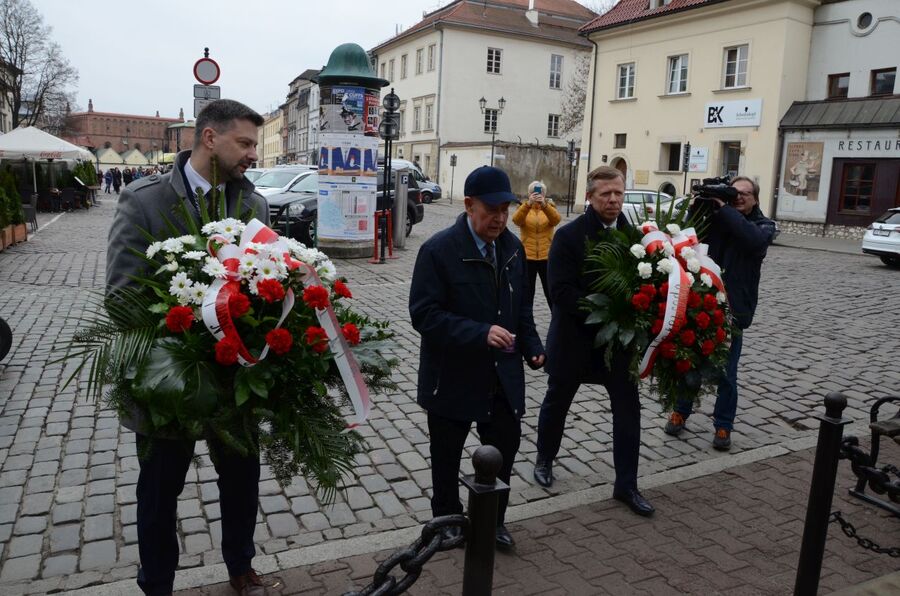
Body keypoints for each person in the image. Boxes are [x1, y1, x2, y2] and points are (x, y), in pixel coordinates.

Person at [106, 99, 271, 596]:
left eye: (254, 145)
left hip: (235, 377)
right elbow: (122, 296)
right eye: (244, 143)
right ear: (210, 138)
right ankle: (157, 582)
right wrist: (189, 340)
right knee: (160, 488)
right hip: (168, 380)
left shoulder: (254, 205)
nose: (252, 154)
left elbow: (268, 285)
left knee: (242, 477)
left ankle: (241, 565)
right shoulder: (144, 200)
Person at [409, 165, 545, 549]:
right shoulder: (438, 250)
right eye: (491, 210)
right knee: (446, 457)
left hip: (502, 376)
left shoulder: (513, 249)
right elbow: (424, 315)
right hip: (451, 375)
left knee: (503, 452)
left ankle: (491, 521)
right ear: (469, 205)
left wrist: (533, 347)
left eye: (505, 209)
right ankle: (447, 520)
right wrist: (479, 332)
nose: (500, 218)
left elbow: (521, 310)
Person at [533, 165, 653, 517]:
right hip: (574, 339)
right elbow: (560, 291)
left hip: (618, 345)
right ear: (589, 197)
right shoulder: (568, 236)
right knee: (557, 403)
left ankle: (627, 484)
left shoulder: (635, 237)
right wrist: (606, 311)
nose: (613, 200)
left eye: (618, 193)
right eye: (605, 194)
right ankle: (544, 458)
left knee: (628, 411)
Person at [664, 176, 776, 450]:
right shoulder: (718, 218)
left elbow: (752, 241)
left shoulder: (763, 226)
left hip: (733, 310)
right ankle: (680, 411)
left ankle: (723, 425)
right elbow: (689, 234)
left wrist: (724, 207)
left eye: (745, 193)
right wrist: (699, 207)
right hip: (703, 302)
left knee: (727, 373)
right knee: (690, 362)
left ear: (756, 199)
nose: (739, 197)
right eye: (734, 192)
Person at [511, 180, 560, 310]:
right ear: (529, 194)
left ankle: (557, 318)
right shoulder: (523, 208)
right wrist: (528, 204)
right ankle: (527, 319)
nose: (537, 195)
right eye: (534, 192)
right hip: (528, 257)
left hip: (546, 256)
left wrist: (544, 205)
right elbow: (516, 221)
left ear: (544, 194)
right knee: (528, 292)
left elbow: (556, 220)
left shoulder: (549, 207)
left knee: (550, 291)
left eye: (540, 192)